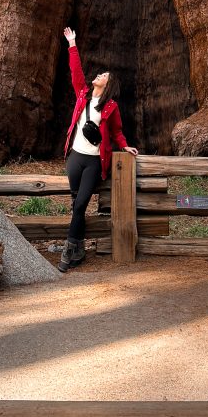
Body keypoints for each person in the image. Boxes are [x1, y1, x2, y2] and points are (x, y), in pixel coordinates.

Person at [60, 26, 137, 270]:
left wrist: (125, 146)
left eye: (103, 75)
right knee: (76, 204)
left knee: (81, 203)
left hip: (94, 161)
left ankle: (67, 251)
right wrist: (72, 44)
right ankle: (79, 250)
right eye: (99, 74)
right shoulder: (83, 94)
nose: (99, 75)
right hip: (76, 158)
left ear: (108, 84)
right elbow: (76, 72)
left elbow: (116, 132)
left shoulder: (111, 107)